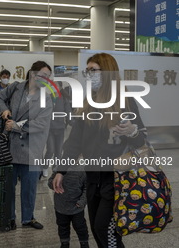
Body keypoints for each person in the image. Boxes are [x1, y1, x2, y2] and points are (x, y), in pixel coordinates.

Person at [53, 53, 147, 248]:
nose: (89, 75)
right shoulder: (88, 103)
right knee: (97, 228)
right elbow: (74, 142)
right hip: (93, 176)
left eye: (93, 70)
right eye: (87, 71)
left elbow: (141, 141)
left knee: (105, 228)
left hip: (117, 178)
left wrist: (132, 131)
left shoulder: (126, 102)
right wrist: (61, 170)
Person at [0, 61, 53, 230]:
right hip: (10, 147)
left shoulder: (46, 97)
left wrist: (17, 126)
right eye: (44, 75)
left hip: (32, 147)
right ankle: (9, 217)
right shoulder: (16, 87)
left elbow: (42, 123)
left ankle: (28, 218)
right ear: (33, 74)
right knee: (8, 187)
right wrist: (3, 110)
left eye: (49, 77)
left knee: (30, 187)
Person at [48, 166, 89, 248]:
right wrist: (55, 183)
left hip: (77, 208)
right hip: (61, 207)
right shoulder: (58, 169)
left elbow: (86, 188)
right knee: (62, 227)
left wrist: (82, 201)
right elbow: (50, 183)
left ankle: (84, 243)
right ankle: (64, 243)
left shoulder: (82, 171)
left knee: (80, 227)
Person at [42, 82, 72, 177]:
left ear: (60, 87)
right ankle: (45, 167)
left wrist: (74, 123)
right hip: (49, 128)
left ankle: (55, 169)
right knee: (50, 149)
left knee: (58, 152)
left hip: (60, 128)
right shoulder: (47, 98)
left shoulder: (64, 99)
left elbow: (68, 112)